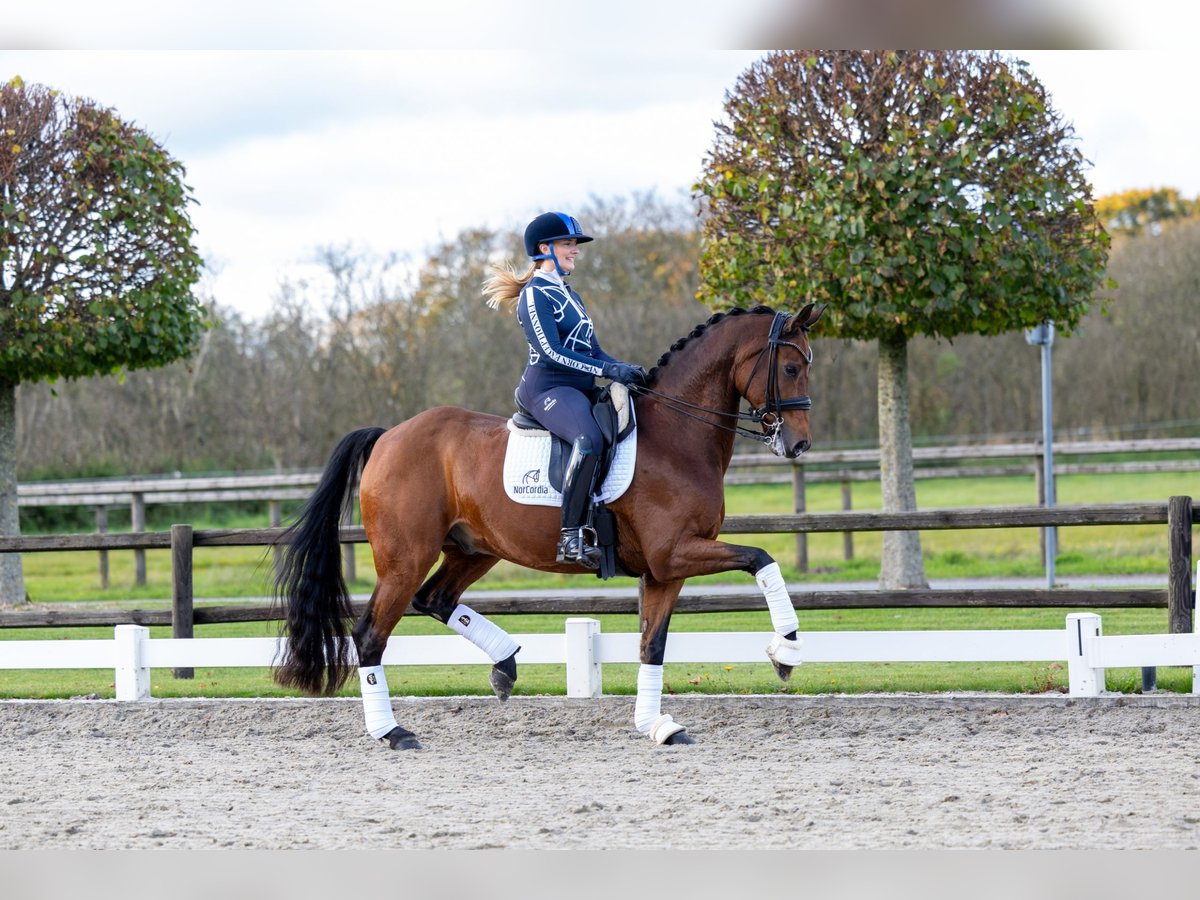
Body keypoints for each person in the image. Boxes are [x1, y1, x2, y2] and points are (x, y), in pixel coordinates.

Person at [483, 211, 647, 568]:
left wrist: (623, 368)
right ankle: (570, 536)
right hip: (548, 388)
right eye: (568, 244)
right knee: (588, 438)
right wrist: (606, 369)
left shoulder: (570, 294)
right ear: (545, 249)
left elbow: (593, 350)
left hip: (580, 387)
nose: (575, 251)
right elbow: (551, 352)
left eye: (574, 244)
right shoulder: (534, 294)